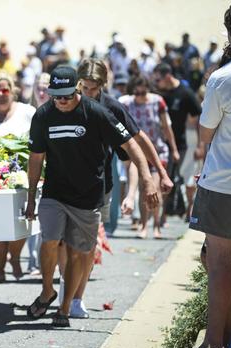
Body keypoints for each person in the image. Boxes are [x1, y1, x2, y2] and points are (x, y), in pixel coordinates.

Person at [26, 66, 157, 327]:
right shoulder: (43, 115)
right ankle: (47, 291)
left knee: (77, 253)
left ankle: (63, 310)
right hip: (55, 192)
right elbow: (36, 157)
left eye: (66, 95)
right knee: (49, 240)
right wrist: (31, 197)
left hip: (88, 196)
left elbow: (131, 143)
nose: (61, 101)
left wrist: (147, 177)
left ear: (76, 90)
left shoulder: (96, 113)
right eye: (56, 96)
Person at [64, 58, 172, 318]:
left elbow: (138, 139)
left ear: (102, 85)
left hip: (99, 187)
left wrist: (158, 172)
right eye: (83, 87)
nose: (87, 93)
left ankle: (76, 298)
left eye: (92, 88)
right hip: (63, 183)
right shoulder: (64, 101)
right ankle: (64, 292)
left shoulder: (112, 108)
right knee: (62, 244)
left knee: (86, 246)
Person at [188, 1, 231, 348]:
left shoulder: (224, 77)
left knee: (220, 264)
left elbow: (204, 133)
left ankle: (215, 342)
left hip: (224, 183)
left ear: (229, 32)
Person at [0, 72, 36, 283]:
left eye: (5, 90)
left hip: (20, 176)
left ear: (13, 91)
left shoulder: (27, 112)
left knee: (21, 221)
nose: (1, 94)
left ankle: (14, 258)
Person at [119, 77, 179, 239]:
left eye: (143, 91)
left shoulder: (157, 102)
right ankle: (144, 225)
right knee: (144, 187)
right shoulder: (127, 104)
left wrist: (174, 149)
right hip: (138, 153)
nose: (140, 95)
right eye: (137, 92)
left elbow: (166, 127)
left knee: (157, 189)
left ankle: (156, 225)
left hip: (158, 151)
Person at [152, 63, 202, 221]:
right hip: (160, 143)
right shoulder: (160, 94)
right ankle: (163, 215)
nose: (156, 83)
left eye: (158, 79)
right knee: (163, 178)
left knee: (178, 178)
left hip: (180, 144)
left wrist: (201, 145)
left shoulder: (185, 94)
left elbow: (199, 118)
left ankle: (181, 211)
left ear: (167, 76)